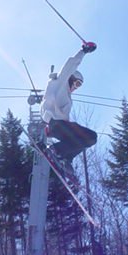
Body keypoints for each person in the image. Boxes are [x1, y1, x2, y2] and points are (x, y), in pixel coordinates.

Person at [40, 41, 98, 178]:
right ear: (71, 79)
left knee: (87, 140)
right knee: (91, 136)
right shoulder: (60, 83)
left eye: (79, 86)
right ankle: (57, 150)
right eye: (77, 83)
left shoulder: (67, 97)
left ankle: (66, 158)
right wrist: (83, 51)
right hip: (56, 124)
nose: (76, 87)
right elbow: (71, 65)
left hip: (58, 127)